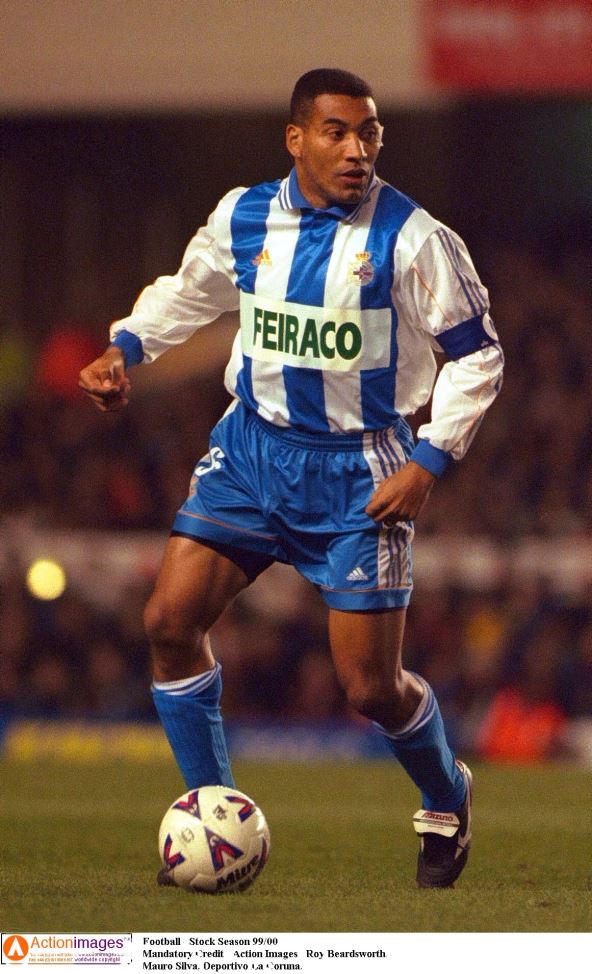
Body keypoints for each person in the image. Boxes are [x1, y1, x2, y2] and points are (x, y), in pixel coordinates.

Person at [79, 68, 503, 889]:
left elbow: (478, 355)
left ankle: (447, 794)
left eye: (370, 133)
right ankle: (214, 815)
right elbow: (189, 291)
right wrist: (123, 348)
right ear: (296, 137)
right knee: (168, 619)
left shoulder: (413, 238)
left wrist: (429, 460)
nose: (357, 149)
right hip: (252, 452)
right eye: (338, 131)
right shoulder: (245, 216)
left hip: (360, 473)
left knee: (370, 688)